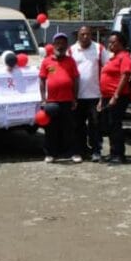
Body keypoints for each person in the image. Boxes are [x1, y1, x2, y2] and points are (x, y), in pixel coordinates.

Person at [39, 32, 80, 163]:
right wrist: (43, 99)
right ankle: (50, 154)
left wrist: (75, 98)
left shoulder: (71, 61)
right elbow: (42, 80)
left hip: (67, 100)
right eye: (58, 43)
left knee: (70, 129)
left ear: (66, 45)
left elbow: (75, 79)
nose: (60, 46)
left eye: (63, 43)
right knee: (51, 130)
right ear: (53, 45)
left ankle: (73, 153)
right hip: (51, 102)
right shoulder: (46, 61)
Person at [97, 31, 131, 164]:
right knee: (109, 125)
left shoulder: (124, 57)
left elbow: (125, 76)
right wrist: (102, 98)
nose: (110, 45)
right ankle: (113, 152)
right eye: (109, 42)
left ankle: (119, 154)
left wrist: (116, 96)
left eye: (113, 42)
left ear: (121, 43)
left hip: (118, 96)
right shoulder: (113, 57)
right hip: (107, 96)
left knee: (115, 125)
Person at [71, 26, 104, 162]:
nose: (85, 37)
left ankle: (96, 150)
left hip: (95, 95)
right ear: (78, 35)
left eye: (88, 34)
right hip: (77, 96)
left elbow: (106, 68)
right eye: (82, 34)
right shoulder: (71, 50)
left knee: (95, 125)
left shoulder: (99, 49)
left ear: (91, 35)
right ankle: (80, 150)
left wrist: (104, 94)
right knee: (78, 125)